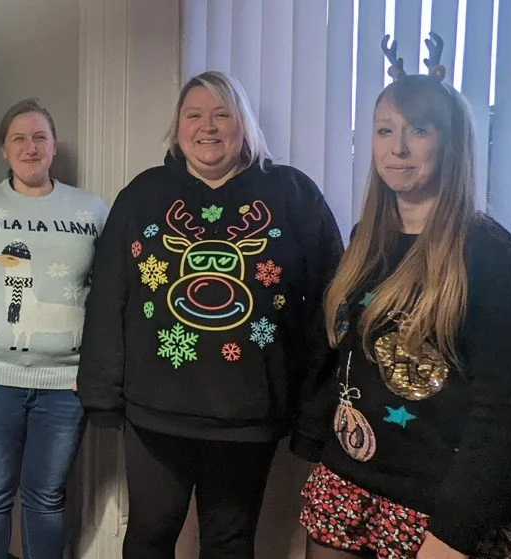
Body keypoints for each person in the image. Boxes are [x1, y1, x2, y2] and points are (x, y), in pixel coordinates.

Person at [77, 70, 344, 558]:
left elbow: (330, 306)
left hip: (247, 418)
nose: (209, 126)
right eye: (194, 114)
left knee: (229, 542)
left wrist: (314, 413)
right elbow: (107, 297)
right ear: (178, 126)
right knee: (149, 534)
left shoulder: (292, 195)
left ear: (244, 125)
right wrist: (99, 393)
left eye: (223, 114)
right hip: (154, 412)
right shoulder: (143, 194)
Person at [294, 35, 511, 559]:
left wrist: (454, 533)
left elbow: (504, 412)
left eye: (418, 131)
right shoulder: (363, 240)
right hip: (344, 484)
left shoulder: (491, 256)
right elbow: (341, 358)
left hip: (433, 507)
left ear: (451, 143)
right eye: (384, 131)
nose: (397, 149)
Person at [0, 98, 109, 559]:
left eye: (40, 137)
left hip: (65, 387)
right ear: (4, 150)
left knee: (47, 499)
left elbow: (109, 299)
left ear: (53, 146)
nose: (30, 148)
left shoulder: (90, 210)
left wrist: (97, 378)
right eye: (19, 139)